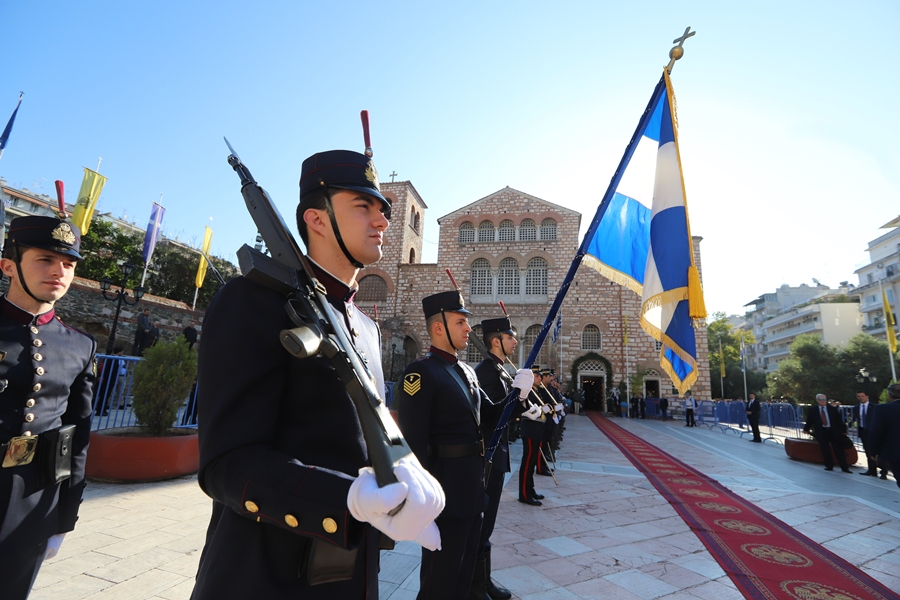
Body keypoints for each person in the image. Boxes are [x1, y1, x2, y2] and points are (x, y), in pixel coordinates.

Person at [191, 147, 444, 599]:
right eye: (363, 206)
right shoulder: (252, 301)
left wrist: (401, 475)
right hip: (264, 575)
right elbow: (226, 465)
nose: (382, 221)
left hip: (351, 572)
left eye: (384, 210)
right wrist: (345, 499)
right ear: (318, 219)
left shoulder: (364, 326)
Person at [397, 291, 525, 599]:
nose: (468, 329)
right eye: (460, 322)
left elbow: (490, 416)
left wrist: (517, 396)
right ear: (438, 327)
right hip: (443, 495)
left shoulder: (466, 371)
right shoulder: (421, 372)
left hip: (472, 490)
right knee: (439, 583)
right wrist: (420, 508)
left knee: (463, 578)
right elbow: (413, 444)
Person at [0, 215, 96, 598]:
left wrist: (63, 518)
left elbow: (78, 436)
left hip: (33, 498)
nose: (59, 272)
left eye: (69, 264)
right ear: (8, 265)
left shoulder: (79, 345)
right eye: (45, 259)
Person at [471, 316, 532, 600]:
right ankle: (474, 585)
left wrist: (522, 402)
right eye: (510, 337)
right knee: (481, 522)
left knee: (489, 521)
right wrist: (517, 399)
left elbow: (506, 413)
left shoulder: (501, 370)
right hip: (489, 454)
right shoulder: (486, 371)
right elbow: (492, 416)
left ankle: (483, 581)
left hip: (499, 454)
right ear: (496, 341)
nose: (515, 341)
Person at [518, 367, 547, 506]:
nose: (539, 378)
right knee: (528, 462)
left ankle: (530, 489)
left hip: (537, 429)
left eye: (540, 376)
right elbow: (528, 409)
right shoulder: (527, 391)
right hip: (530, 428)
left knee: (532, 462)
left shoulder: (536, 391)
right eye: (537, 376)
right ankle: (524, 494)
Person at [804, 393, 851, 473]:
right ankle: (829, 465)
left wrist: (844, 430)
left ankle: (844, 467)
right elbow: (810, 420)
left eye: (824, 399)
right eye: (820, 400)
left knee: (839, 449)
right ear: (817, 400)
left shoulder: (832, 409)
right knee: (825, 450)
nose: (822, 401)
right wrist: (806, 429)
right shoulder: (813, 409)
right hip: (822, 432)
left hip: (833, 431)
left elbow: (839, 420)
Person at [869, 383, 900, 488]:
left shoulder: (882, 409)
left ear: (889, 395)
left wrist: (874, 452)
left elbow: (876, 432)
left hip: (895, 453)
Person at [853, 391, 887, 479]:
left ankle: (884, 472)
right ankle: (872, 470)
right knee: (868, 452)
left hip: (875, 432)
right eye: (859, 396)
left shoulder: (875, 407)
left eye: (862, 396)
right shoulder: (856, 408)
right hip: (863, 431)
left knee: (879, 451)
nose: (861, 398)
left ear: (867, 396)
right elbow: (854, 419)